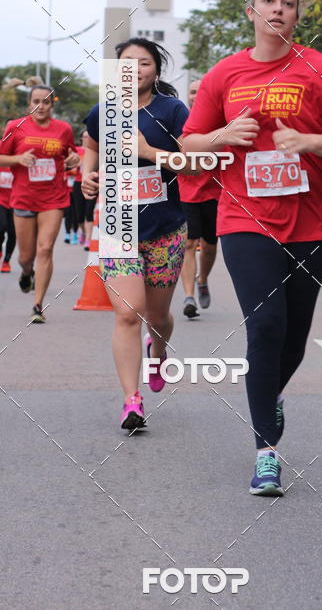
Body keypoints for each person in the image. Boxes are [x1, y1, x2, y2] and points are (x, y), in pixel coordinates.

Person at [182, 0, 322, 496]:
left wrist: (307, 140)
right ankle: (267, 451)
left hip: (310, 221)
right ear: (251, 11)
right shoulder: (225, 73)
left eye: (287, 3)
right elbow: (190, 142)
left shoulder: (320, 68)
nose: (278, 9)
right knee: (264, 327)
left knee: (292, 339)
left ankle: (269, 394)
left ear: (297, 14)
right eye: (269, 1)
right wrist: (223, 134)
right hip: (244, 218)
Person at [82, 38, 197, 430]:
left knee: (157, 316)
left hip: (165, 226)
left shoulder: (173, 110)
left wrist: (150, 153)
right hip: (118, 225)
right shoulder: (103, 112)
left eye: (143, 62)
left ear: (156, 70)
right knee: (128, 314)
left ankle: (159, 350)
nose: (135, 69)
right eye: (127, 62)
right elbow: (91, 144)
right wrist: (87, 176)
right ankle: (132, 400)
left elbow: (191, 162)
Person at [0, 85, 79, 322]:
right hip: (24, 196)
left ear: (52, 104)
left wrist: (73, 158)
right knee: (26, 256)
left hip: (53, 198)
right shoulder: (15, 126)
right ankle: (26, 273)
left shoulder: (63, 129)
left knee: (45, 249)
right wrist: (18, 159)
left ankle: (38, 305)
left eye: (45, 102)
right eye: (36, 101)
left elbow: (71, 155)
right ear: (29, 103)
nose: (40, 106)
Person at [178, 78, 220, 319]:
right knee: (188, 244)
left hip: (215, 192)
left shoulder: (220, 119)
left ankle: (202, 279)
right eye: (192, 91)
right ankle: (188, 296)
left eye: (200, 91)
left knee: (210, 246)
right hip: (187, 191)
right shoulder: (181, 120)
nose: (196, 95)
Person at [0, 165, 16, 272]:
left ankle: (6, 261)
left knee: (12, 233)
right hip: (1, 201)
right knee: (2, 226)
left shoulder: (17, 165)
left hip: (15, 203)